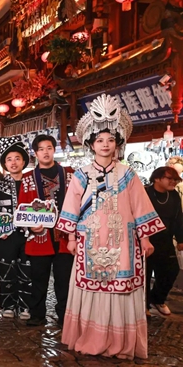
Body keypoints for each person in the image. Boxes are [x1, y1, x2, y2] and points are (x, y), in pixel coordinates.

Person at [58, 93, 163, 359]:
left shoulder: (128, 174)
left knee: (122, 287)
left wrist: (146, 238)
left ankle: (119, 342)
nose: (105, 145)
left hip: (123, 241)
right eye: (100, 140)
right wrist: (70, 237)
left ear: (118, 144)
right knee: (90, 286)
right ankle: (90, 336)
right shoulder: (81, 174)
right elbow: (70, 207)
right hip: (89, 241)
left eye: (110, 140)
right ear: (91, 144)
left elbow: (140, 207)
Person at [18, 134, 74, 326]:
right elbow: (22, 207)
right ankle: (37, 314)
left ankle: (65, 315)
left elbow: (77, 203)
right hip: (39, 236)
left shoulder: (69, 174)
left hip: (65, 236)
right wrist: (30, 225)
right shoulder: (27, 178)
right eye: (41, 149)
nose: (45, 152)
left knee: (64, 279)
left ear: (54, 150)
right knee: (38, 279)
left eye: (49, 147)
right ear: (35, 153)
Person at [0, 136, 31, 319]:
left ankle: (26, 307)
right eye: (9, 159)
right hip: (6, 236)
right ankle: (8, 305)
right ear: (4, 162)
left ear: (24, 161)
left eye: (17, 158)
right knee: (6, 269)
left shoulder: (32, 183)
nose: (13, 163)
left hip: (30, 235)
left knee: (27, 270)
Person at [145, 166, 183, 316]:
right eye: (170, 178)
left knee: (171, 270)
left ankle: (157, 299)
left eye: (175, 179)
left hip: (165, 239)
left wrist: (180, 239)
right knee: (145, 275)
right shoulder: (145, 193)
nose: (173, 182)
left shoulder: (173, 195)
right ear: (157, 178)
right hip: (145, 239)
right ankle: (144, 305)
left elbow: (179, 218)